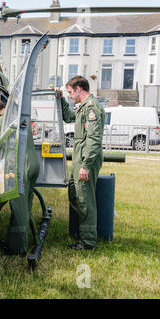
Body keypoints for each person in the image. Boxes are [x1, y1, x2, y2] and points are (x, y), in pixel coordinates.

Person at [56, 76, 105, 250]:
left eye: (70, 92)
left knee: (85, 200)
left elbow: (93, 139)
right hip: (80, 160)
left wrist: (86, 165)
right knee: (74, 195)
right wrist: (60, 98)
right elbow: (69, 117)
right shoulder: (83, 108)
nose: (70, 96)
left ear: (78, 89)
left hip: (86, 161)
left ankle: (88, 243)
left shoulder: (91, 108)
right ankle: (84, 233)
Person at [0, 93, 40, 256]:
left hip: (20, 166)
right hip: (32, 162)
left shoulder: (2, 121)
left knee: (18, 207)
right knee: (25, 203)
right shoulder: (16, 115)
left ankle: (18, 248)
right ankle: (20, 239)